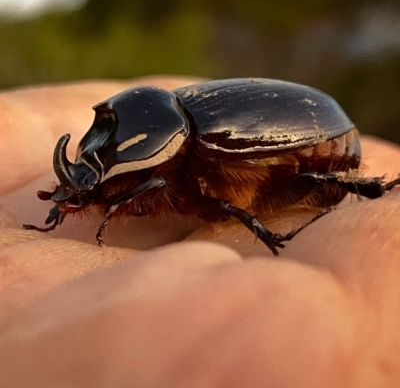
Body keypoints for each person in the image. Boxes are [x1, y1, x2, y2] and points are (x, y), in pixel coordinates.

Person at [0, 77, 399, 387]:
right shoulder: (162, 137)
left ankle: (380, 189)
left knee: (315, 181)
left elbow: (189, 196)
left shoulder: (198, 147)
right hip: (306, 116)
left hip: (318, 141)